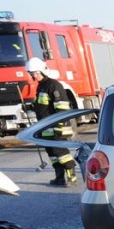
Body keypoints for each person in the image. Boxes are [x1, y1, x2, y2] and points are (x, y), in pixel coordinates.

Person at [26, 57, 77, 186]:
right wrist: (30, 107)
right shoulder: (41, 86)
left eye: (36, 73)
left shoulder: (53, 85)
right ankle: (59, 178)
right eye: (32, 74)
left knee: (61, 152)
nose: (34, 76)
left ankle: (72, 177)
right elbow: (42, 105)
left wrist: (59, 126)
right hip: (45, 127)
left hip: (56, 127)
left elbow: (62, 107)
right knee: (52, 153)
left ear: (43, 71)